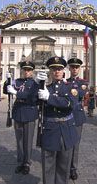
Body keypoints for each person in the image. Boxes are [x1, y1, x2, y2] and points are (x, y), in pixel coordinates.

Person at [37, 56, 78, 184]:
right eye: (54, 69)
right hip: (50, 129)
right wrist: (37, 84)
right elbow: (33, 100)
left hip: (66, 129)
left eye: (59, 69)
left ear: (63, 70)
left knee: (64, 166)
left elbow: (70, 103)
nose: (57, 71)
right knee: (48, 165)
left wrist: (49, 98)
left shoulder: (70, 87)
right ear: (50, 71)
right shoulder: (45, 87)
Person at [4, 61, 39, 175]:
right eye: (24, 69)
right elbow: (6, 90)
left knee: (28, 140)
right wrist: (7, 81)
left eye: (29, 70)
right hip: (18, 113)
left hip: (29, 114)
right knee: (19, 140)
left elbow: (32, 97)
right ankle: (20, 162)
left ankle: (27, 163)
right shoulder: (17, 81)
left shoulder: (35, 84)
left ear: (32, 71)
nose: (26, 72)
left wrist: (17, 93)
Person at [66, 58, 88, 180]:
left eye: (77, 67)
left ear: (79, 69)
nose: (74, 69)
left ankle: (73, 168)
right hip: (67, 115)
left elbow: (79, 94)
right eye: (72, 67)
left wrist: (69, 91)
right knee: (66, 141)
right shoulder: (65, 82)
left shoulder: (83, 82)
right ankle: (65, 164)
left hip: (77, 115)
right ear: (69, 68)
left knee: (75, 144)